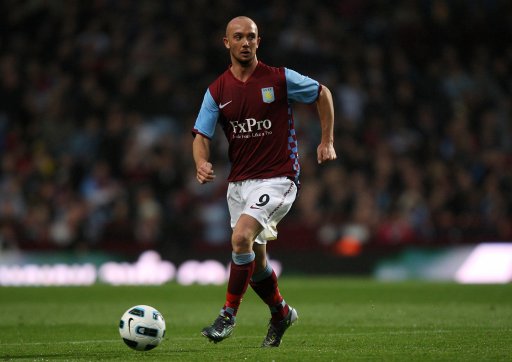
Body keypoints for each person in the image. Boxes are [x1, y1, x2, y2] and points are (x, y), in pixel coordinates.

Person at [192, 16, 337, 347]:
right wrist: (201, 161)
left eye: (251, 37)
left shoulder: (279, 78)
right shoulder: (217, 90)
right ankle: (281, 313)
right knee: (256, 262)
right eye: (238, 37)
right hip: (239, 183)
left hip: (278, 177)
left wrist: (326, 140)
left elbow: (322, 93)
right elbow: (201, 133)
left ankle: (227, 314)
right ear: (226, 43)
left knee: (240, 237)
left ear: (259, 41)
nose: (245, 42)